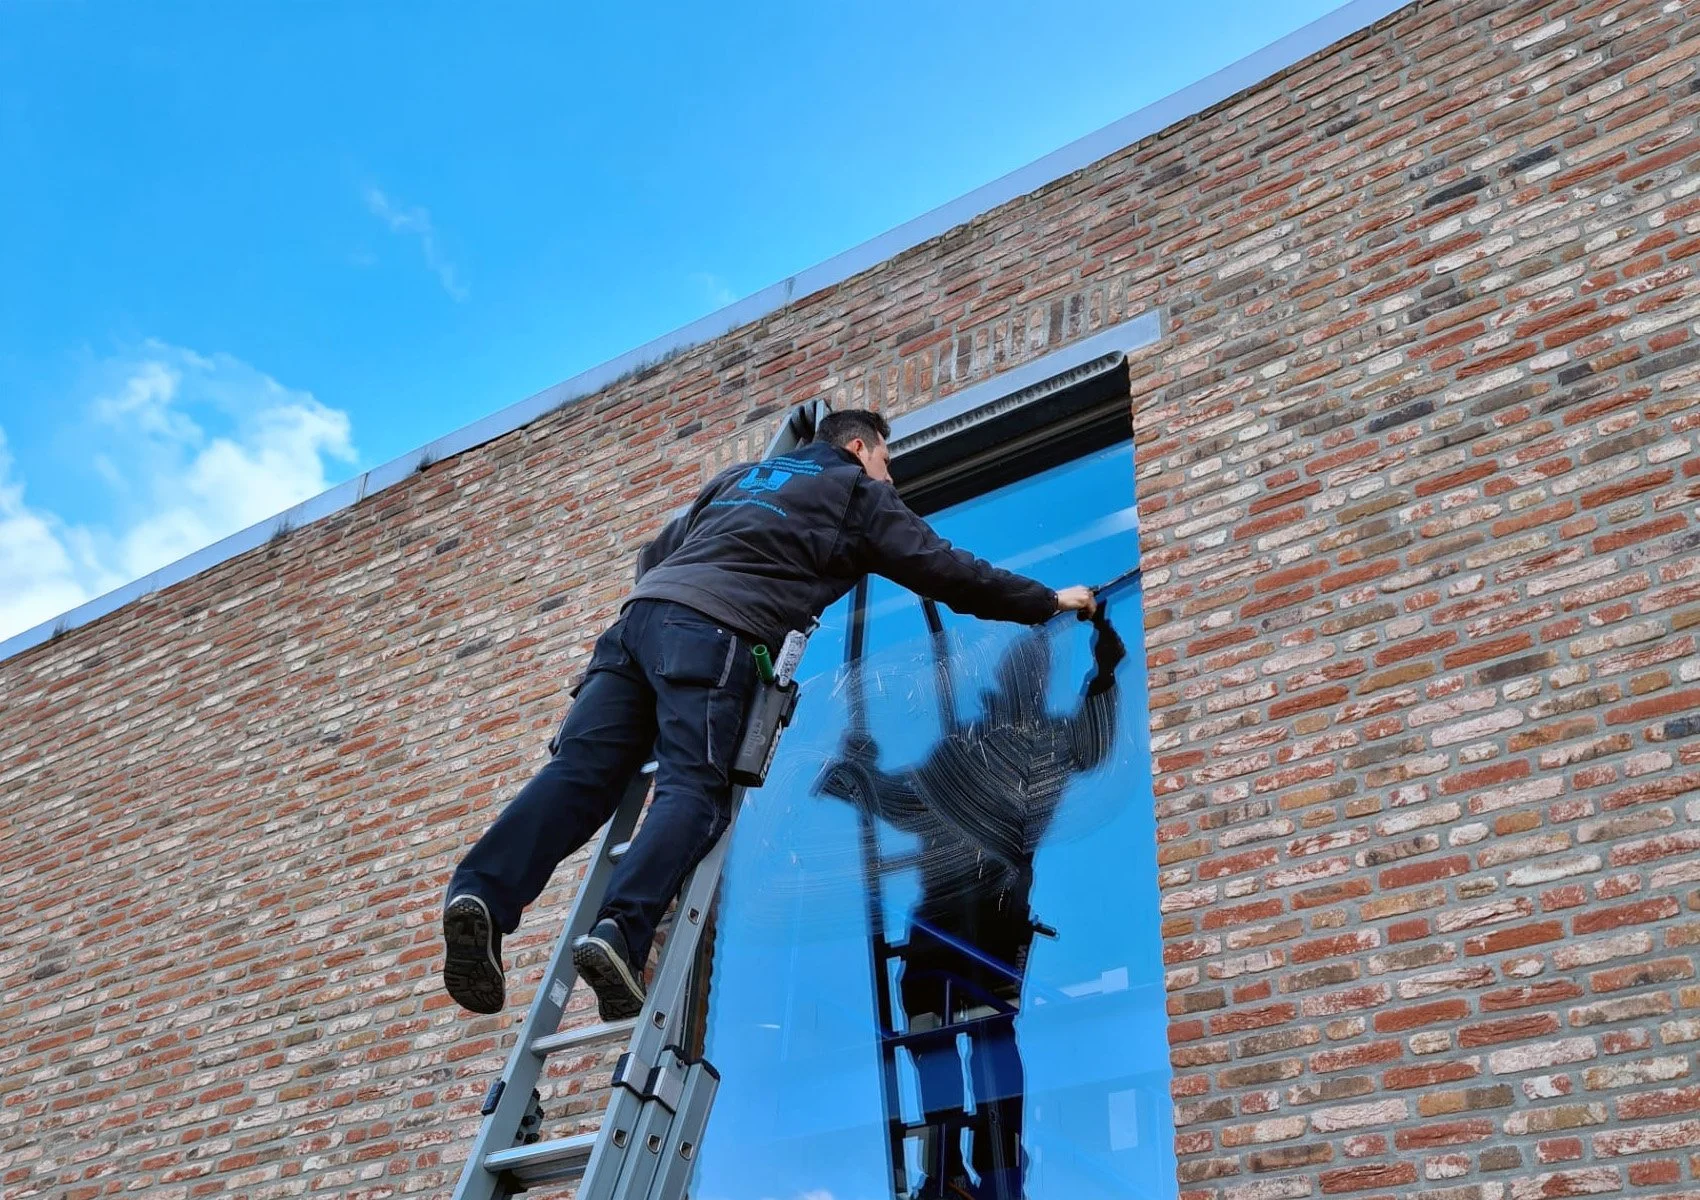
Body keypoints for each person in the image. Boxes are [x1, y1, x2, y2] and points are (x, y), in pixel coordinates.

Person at [441, 409, 1100, 1019]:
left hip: (632, 630)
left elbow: (654, 556)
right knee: (695, 791)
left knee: (579, 776)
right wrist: (1046, 601)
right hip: (714, 634)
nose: (890, 478)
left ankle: (482, 893)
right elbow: (945, 569)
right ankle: (620, 929)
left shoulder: (739, 477)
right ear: (858, 447)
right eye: (887, 461)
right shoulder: (855, 491)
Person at [816, 612, 1124, 1199]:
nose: (1023, 685)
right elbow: (910, 803)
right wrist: (859, 776)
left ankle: (990, 1166)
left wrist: (1105, 673)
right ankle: (953, 1167)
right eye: (1019, 674)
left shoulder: (1041, 742)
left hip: (991, 912)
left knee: (983, 1033)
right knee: (936, 1029)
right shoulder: (966, 747)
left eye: (1030, 676)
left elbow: (1090, 745)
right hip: (944, 913)